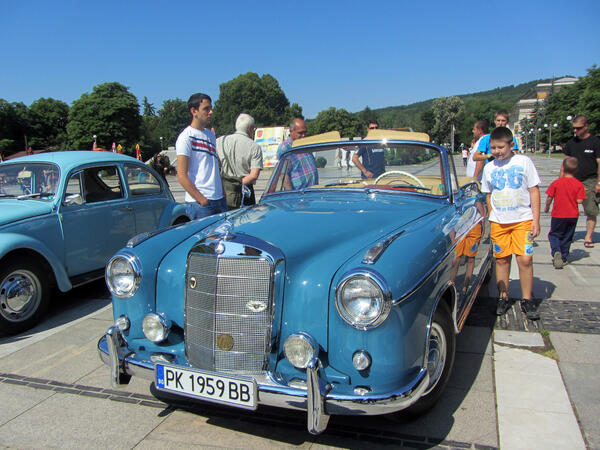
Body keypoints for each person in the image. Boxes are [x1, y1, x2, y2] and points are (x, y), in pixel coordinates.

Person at [481, 127, 541, 320]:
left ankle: (527, 298)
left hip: (522, 219)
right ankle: (503, 296)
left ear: (511, 144)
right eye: (493, 148)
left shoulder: (523, 162)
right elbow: (488, 194)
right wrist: (491, 214)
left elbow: (534, 190)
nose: (497, 151)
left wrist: (536, 220)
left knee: (524, 259)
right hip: (500, 222)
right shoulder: (489, 167)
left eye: (500, 147)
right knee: (502, 259)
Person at [176, 93, 227, 220]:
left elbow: (213, 165)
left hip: (219, 199)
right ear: (194, 111)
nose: (211, 112)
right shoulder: (185, 137)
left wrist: (222, 190)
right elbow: (181, 175)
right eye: (206, 109)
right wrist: (201, 199)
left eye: (211, 108)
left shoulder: (210, 135)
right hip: (202, 204)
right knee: (204, 240)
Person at [562, 115, 600, 248]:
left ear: (586, 126)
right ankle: (569, 234)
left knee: (590, 209)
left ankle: (588, 236)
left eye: (578, 128)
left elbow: (599, 162)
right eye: (574, 129)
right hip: (572, 180)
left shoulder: (595, 141)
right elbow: (565, 162)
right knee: (569, 210)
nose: (575, 131)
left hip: (590, 179)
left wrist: (599, 182)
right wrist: (562, 180)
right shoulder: (571, 143)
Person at [545, 157, 586, 269]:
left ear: (563, 168)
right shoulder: (579, 184)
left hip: (558, 214)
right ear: (577, 170)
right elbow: (580, 201)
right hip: (572, 215)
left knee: (554, 234)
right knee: (567, 236)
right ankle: (563, 257)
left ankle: (556, 251)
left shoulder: (556, 183)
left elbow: (549, 197)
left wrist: (547, 207)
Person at [216, 113, 263, 207]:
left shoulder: (219, 141)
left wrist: (228, 185)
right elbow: (254, 175)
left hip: (224, 191)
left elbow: (215, 167)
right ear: (249, 128)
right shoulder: (254, 147)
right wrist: (237, 185)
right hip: (245, 192)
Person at [473, 111, 520, 178]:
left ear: (507, 122)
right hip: (491, 171)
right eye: (498, 120)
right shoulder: (486, 138)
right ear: (495, 121)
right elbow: (475, 157)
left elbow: (515, 155)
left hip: (506, 171)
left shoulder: (511, 138)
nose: (500, 123)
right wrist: (489, 155)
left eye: (503, 121)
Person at [276, 118, 318, 190]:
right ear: (291, 131)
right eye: (300, 133)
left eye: (305, 132)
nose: (303, 135)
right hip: (299, 194)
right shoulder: (285, 148)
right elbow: (284, 175)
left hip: (313, 191)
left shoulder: (305, 144)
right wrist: (291, 195)